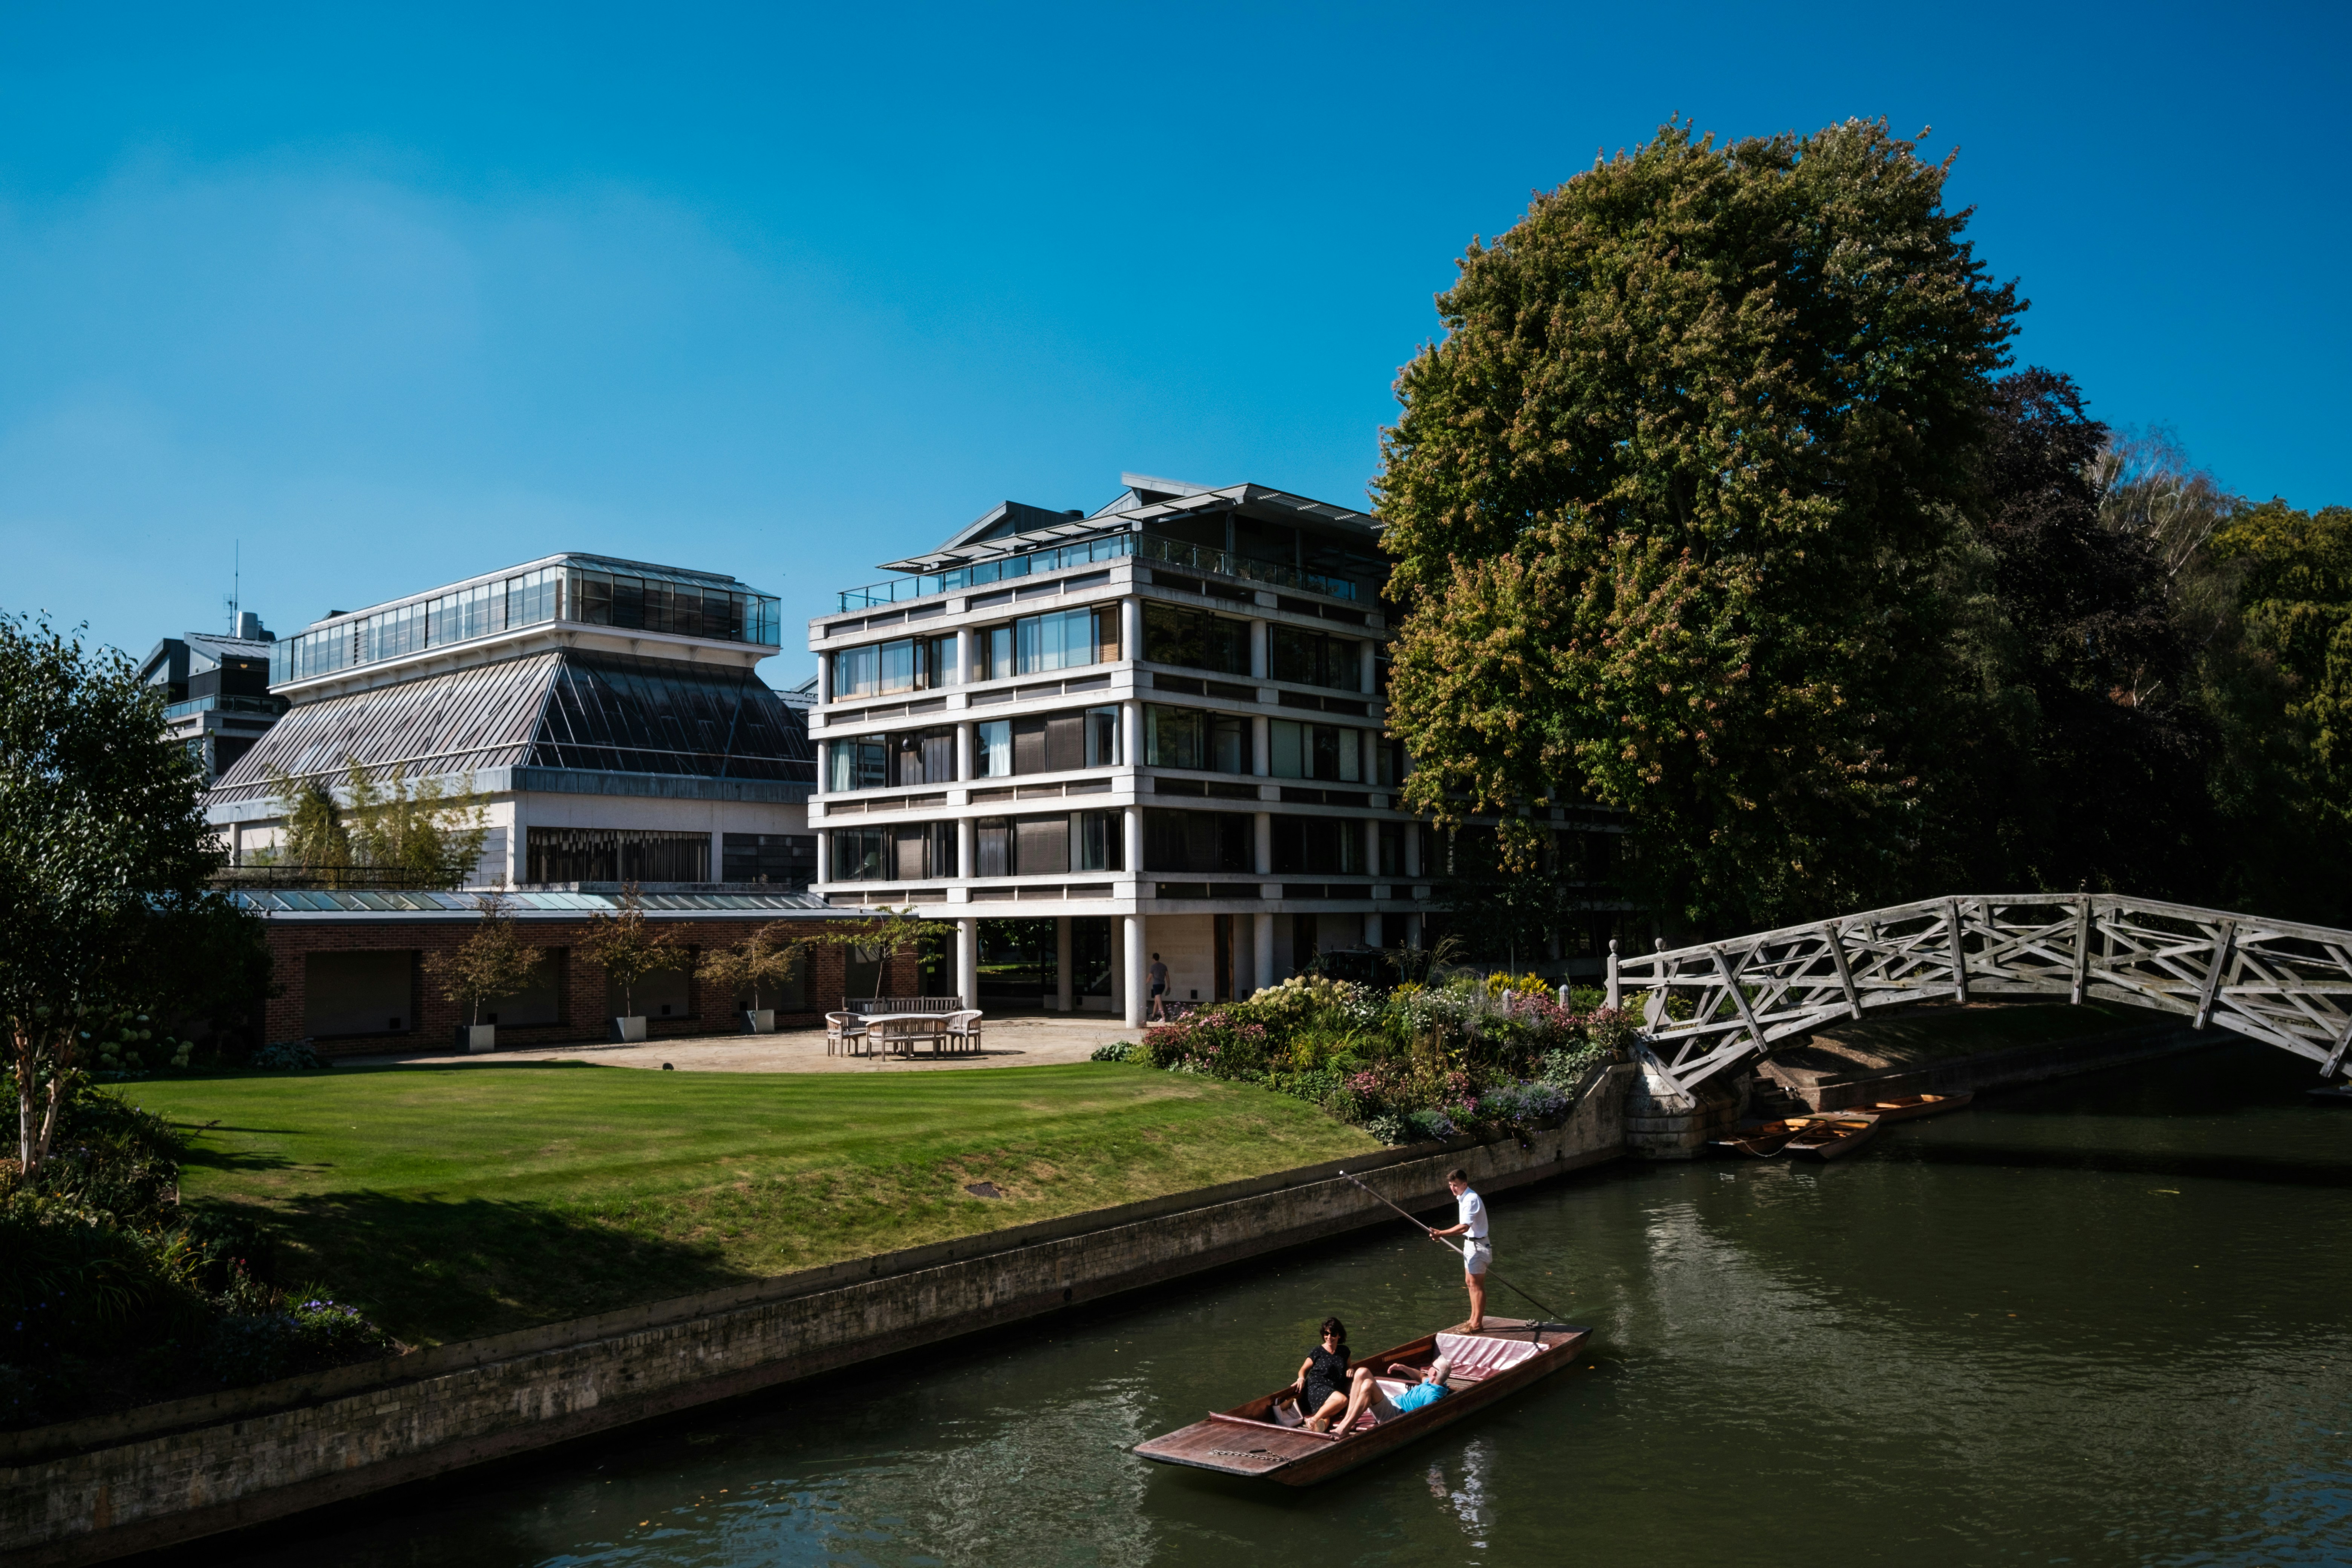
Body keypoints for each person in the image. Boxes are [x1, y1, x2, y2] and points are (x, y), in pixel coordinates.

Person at [1425, 1167, 1488, 1330]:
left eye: (1456, 1185)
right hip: (1470, 1244)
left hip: (1478, 1245)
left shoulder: (1471, 1199)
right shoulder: (1463, 1197)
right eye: (1451, 1185)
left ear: (1465, 1184)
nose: (1453, 1188)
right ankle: (1473, 1319)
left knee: (1476, 1285)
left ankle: (1477, 1324)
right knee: (1469, 1282)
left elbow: (1464, 1228)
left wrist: (1441, 1233)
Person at [1328, 1354, 1453, 1434]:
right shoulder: (1434, 1382)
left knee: (1368, 1385)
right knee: (1362, 1371)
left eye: (1433, 1366)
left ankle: (1344, 1429)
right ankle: (1347, 1420)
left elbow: (1425, 1417)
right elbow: (1420, 1376)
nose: (1430, 1367)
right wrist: (1403, 1367)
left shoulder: (1433, 1395)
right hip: (1393, 1404)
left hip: (1396, 1416)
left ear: (1434, 1373)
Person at [1289, 1317, 1352, 1432]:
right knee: (1343, 1400)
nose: (1329, 1337)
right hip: (1317, 1387)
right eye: (1326, 1333)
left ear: (1339, 1335)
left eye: (1333, 1334)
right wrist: (1301, 1379)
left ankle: (1317, 1429)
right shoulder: (1317, 1351)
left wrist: (1350, 1369)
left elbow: (1349, 1366)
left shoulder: (1344, 1351)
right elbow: (1303, 1369)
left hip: (1333, 1390)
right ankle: (1314, 1419)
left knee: (1327, 1416)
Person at [1147, 952, 1170, 1021]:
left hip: (1156, 985)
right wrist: (1169, 986)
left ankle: (1163, 1018)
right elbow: (1168, 977)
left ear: (1153, 959)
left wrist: (1144, 984)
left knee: (1159, 1002)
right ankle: (1153, 1015)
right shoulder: (1164, 966)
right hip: (1162, 985)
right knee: (1157, 1001)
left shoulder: (1153, 967)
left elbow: (1150, 978)